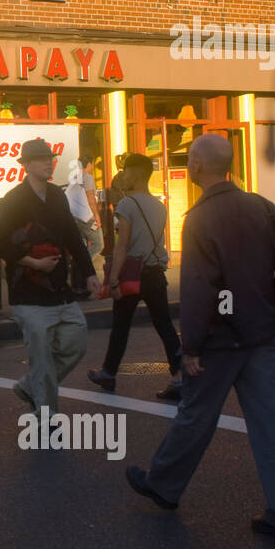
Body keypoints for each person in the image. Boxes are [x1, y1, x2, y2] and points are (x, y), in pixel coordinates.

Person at [126, 134, 275, 540]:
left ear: (196, 166)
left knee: (196, 414)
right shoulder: (261, 206)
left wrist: (191, 346)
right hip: (260, 332)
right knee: (269, 425)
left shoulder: (200, 217)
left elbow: (198, 288)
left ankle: (165, 484)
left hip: (220, 337)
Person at [0, 138, 99, 414]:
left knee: (76, 342)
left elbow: (72, 235)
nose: (48, 163)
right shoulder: (14, 199)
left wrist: (89, 272)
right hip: (27, 290)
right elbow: (0, 243)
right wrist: (34, 263)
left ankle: (32, 386)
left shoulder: (56, 195)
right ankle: (46, 415)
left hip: (58, 288)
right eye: (41, 159)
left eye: (50, 158)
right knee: (41, 357)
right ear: (26, 165)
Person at [87, 153, 182, 397]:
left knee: (121, 325)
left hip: (132, 274)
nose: (122, 176)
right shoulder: (159, 205)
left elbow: (122, 245)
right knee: (164, 325)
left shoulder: (126, 205)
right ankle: (180, 376)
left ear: (137, 174)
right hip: (155, 273)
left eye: (126, 171)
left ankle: (108, 373)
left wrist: (114, 278)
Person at [66, 152, 104, 281]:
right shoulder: (87, 177)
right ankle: (82, 267)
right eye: (92, 163)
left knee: (82, 246)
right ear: (89, 163)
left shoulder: (75, 177)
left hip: (75, 217)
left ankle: (78, 273)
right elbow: (90, 197)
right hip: (86, 217)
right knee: (98, 244)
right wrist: (97, 216)